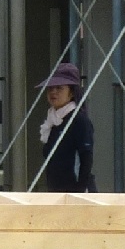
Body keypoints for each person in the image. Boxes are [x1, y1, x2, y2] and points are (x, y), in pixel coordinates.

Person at [39, 63, 95, 193]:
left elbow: (86, 159)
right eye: (50, 88)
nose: (53, 92)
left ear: (71, 93)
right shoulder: (52, 121)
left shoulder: (79, 120)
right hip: (56, 192)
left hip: (77, 192)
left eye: (59, 88)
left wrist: (79, 193)